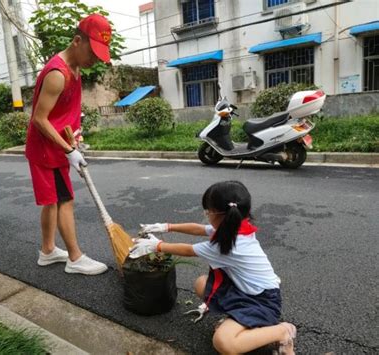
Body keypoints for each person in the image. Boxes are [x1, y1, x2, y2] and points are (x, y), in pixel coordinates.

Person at [130, 181, 296, 355]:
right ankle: (240, 322)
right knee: (202, 283)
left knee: (224, 343)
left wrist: (156, 246)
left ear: (220, 215)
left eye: (208, 211)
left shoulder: (229, 246)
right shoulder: (236, 226)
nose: (207, 215)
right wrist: (166, 227)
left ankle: (282, 331)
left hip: (263, 302)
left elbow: (187, 250)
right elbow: (199, 229)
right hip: (245, 291)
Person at [24, 14, 112, 275]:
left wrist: (75, 136)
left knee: (52, 200)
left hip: (60, 144)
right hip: (46, 149)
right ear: (77, 41)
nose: (95, 59)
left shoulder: (75, 69)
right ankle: (75, 257)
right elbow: (39, 119)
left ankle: (48, 251)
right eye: (93, 52)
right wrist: (69, 150)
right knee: (65, 200)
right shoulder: (57, 74)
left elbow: (61, 112)